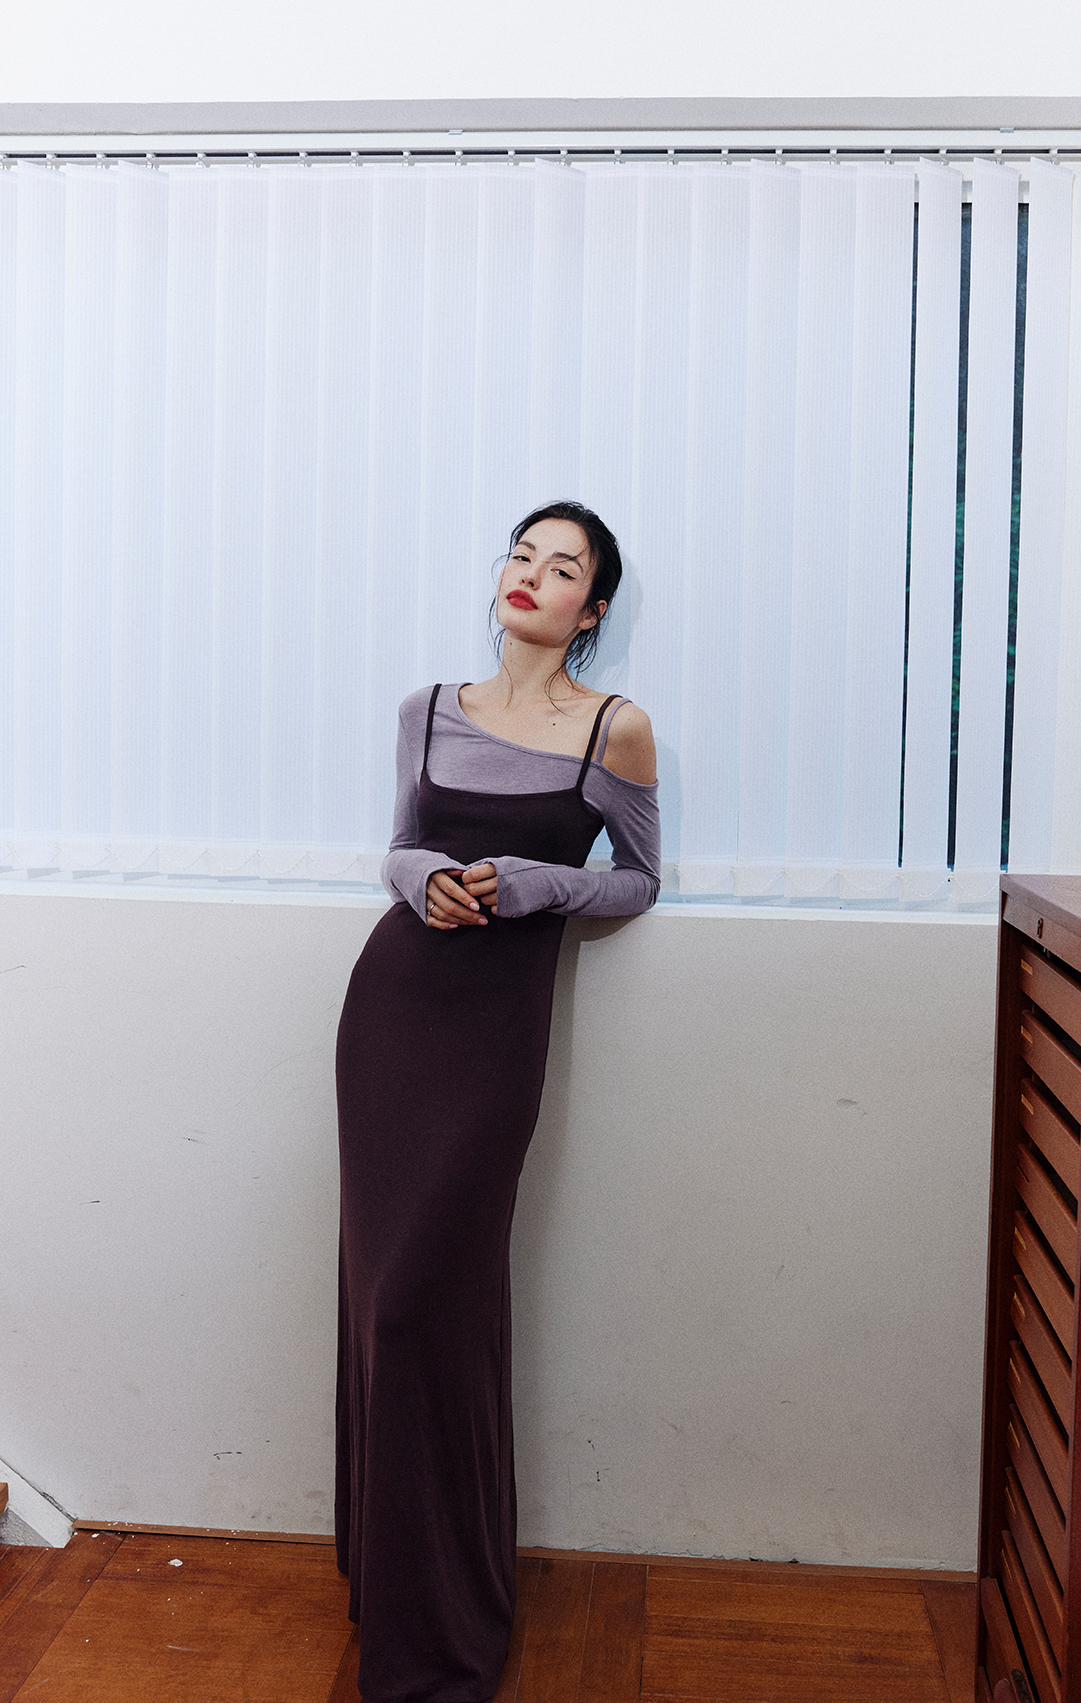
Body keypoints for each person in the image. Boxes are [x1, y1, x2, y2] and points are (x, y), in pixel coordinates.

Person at [334, 502, 660, 1702]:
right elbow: (397, 845)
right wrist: (423, 874)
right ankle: (392, 1584)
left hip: (491, 1037)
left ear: (594, 608)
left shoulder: (615, 728)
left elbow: (639, 879)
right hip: (392, 1012)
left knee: (432, 1301)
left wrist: (535, 883)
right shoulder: (427, 707)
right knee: (381, 1302)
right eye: (522, 554)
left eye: (562, 566)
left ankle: (446, 1617)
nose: (532, 574)